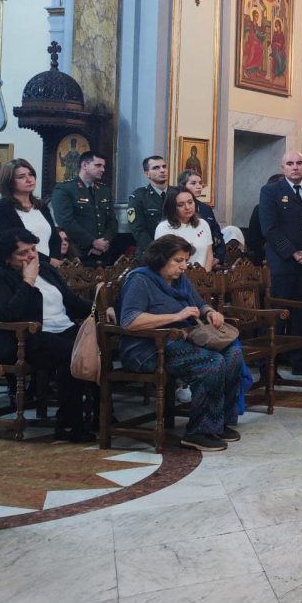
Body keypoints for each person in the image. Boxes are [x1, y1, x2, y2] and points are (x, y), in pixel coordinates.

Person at [119, 235, 243, 452]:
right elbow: (130, 321)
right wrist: (176, 316)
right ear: (160, 259)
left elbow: (199, 303)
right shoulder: (139, 280)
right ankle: (198, 432)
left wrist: (211, 312)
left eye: (185, 260)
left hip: (178, 341)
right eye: (178, 260)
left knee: (232, 353)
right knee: (211, 362)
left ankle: (218, 422)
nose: (184, 266)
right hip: (147, 349)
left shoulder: (180, 280)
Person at [0, 229, 93, 441]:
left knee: (98, 345)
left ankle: (100, 416)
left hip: (63, 329)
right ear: (6, 257)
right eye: (23, 253)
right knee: (74, 355)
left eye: (33, 249)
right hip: (25, 338)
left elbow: (72, 303)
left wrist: (100, 309)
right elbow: (8, 313)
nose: (31, 256)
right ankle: (69, 424)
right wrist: (28, 281)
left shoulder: (46, 269)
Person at [258, 151, 302, 378]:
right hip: (283, 264)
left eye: (299, 163)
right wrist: (293, 252)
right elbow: (269, 228)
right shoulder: (271, 192)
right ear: (282, 167)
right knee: (277, 315)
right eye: (290, 164)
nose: (295, 167)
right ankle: (269, 366)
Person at [49, 150, 117, 265]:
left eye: (103, 166)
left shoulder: (104, 190)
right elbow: (65, 221)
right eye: (98, 165)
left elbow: (112, 220)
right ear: (84, 165)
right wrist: (92, 242)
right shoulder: (65, 189)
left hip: (104, 253)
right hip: (77, 253)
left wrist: (104, 242)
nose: (102, 169)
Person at [0, 159, 62, 262]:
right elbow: (13, 244)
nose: (29, 180)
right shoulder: (1, 208)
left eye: (31, 175)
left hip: (48, 269)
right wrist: (48, 261)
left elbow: (55, 239)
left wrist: (54, 261)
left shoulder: (41, 206)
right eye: (21, 177)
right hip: (21, 267)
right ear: (9, 182)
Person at [154, 186, 214, 270]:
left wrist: (205, 277)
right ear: (172, 207)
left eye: (190, 202)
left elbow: (209, 255)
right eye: (180, 205)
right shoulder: (164, 228)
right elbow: (166, 261)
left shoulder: (203, 224)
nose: (187, 207)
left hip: (202, 278)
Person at [178, 171, 226, 266]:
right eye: (193, 183)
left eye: (200, 183)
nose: (199, 186)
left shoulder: (205, 208)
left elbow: (217, 234)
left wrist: (218, 257)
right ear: (183, 186)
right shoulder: (176, 207)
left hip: (207, 260)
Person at [127, 155, 169, 256]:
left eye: (164, 166)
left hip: (176, 251)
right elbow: (138, 229)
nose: (162, 170)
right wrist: (156, 250)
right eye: (156, 168)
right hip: (150, 252)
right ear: (147, 174)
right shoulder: (138, 196)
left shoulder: (177, 194)